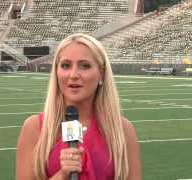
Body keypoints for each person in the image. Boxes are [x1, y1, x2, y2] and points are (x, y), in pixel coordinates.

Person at [16, 33, 141, 180]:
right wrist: (62, 175)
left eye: (85, 66)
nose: (74, 74)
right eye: (66, 65)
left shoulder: (123, 130)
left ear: (101, 73)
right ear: (56, 72)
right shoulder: (34, 127)